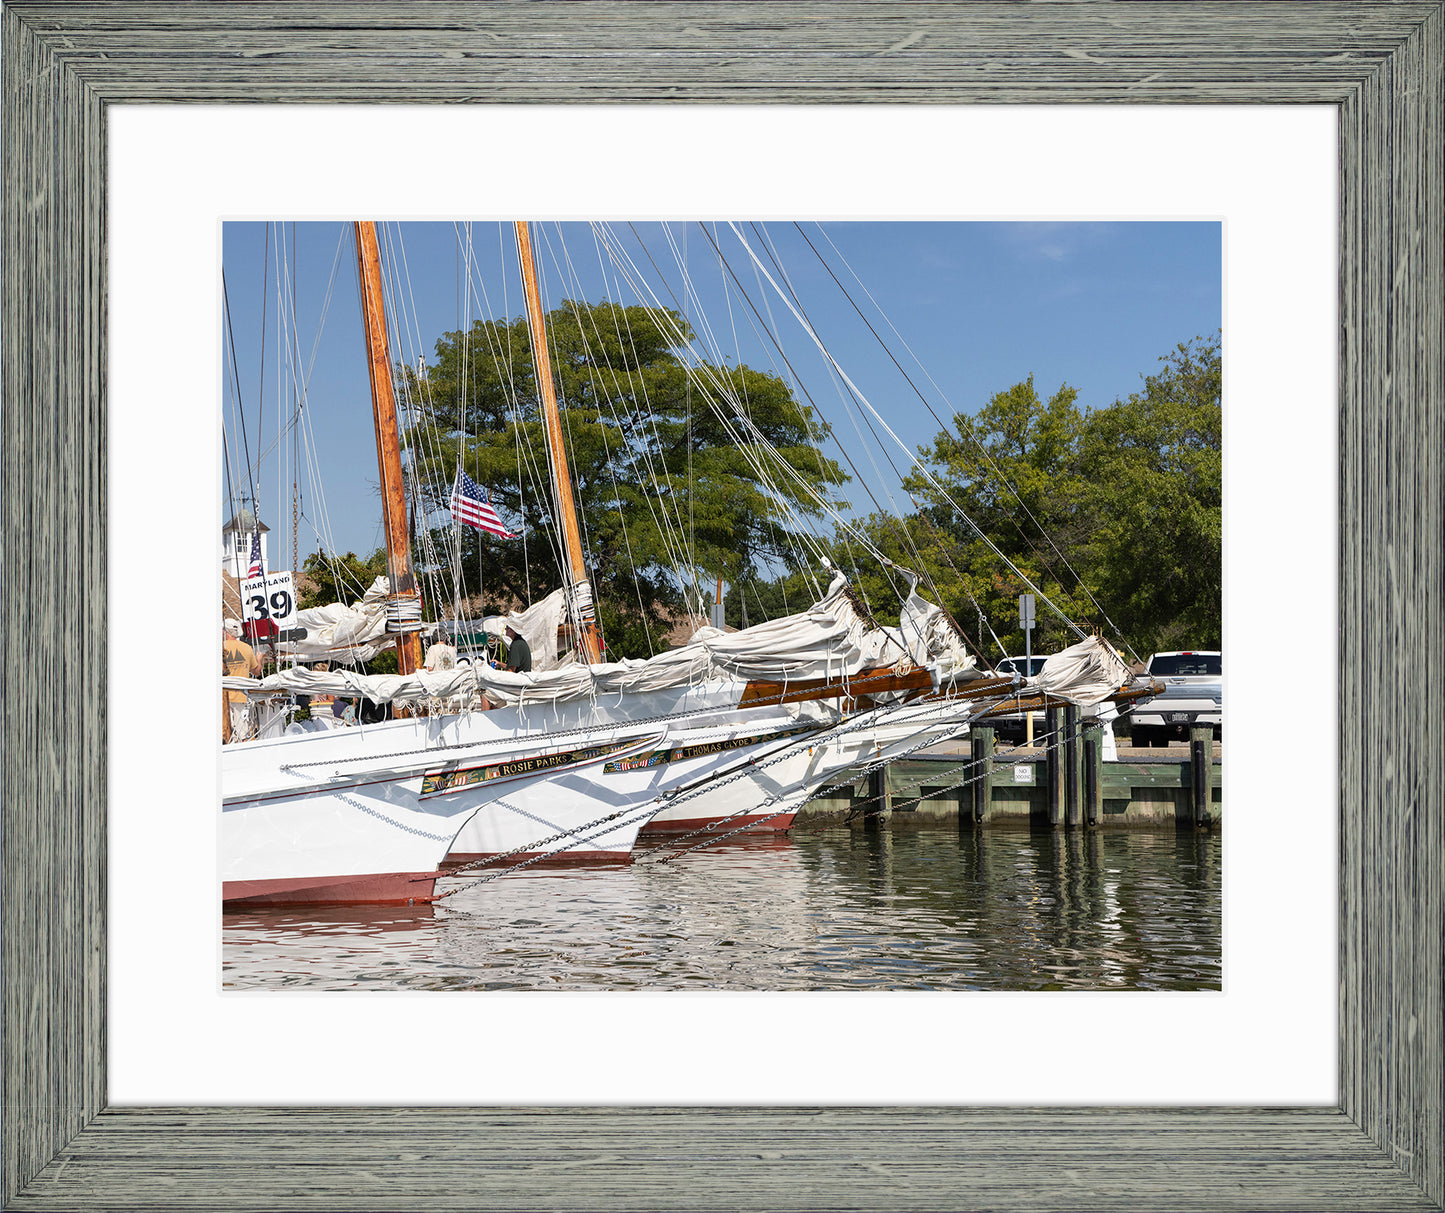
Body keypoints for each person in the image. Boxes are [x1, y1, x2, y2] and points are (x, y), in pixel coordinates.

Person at [221, 627, 262, 744]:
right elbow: (256, 671)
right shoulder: (247, 648)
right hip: (241, 696)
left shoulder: (220, 647)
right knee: (242, 735)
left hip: (223, 698)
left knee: (224, 735)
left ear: (225, 632)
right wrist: (259, 659)